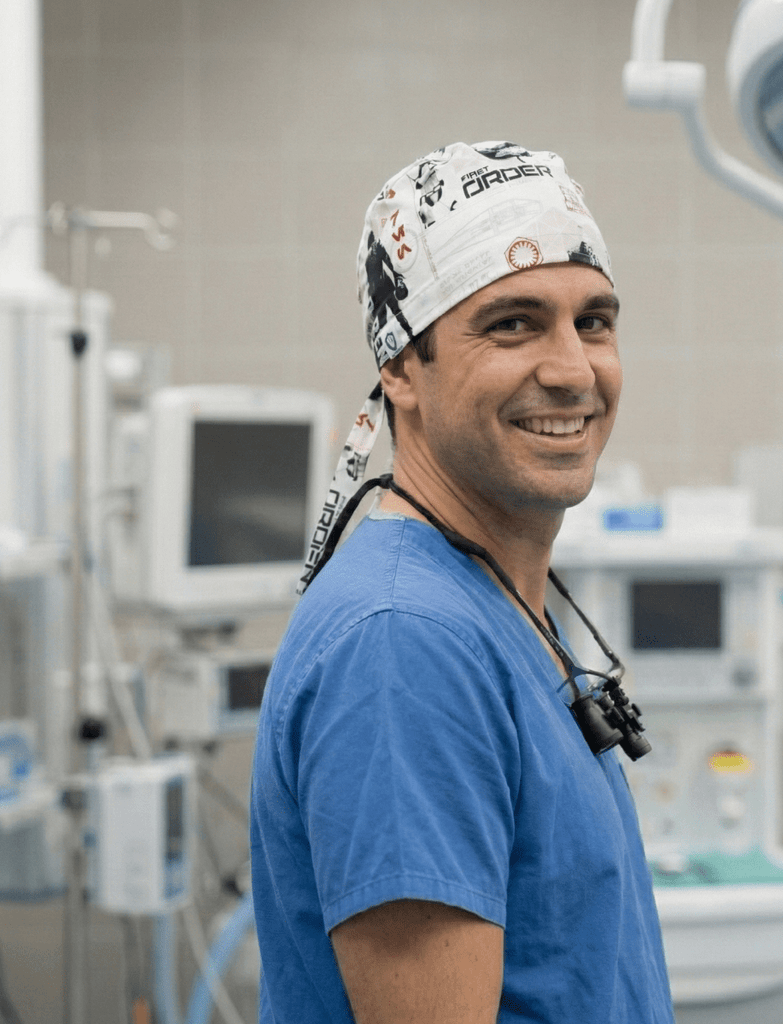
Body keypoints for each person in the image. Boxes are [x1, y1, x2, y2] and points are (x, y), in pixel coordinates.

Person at [250, 141, 674, 1024]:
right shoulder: (405, 642)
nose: (571, 369)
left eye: (593, 321)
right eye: (513, 324)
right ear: (402, 366)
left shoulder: (496, 609)